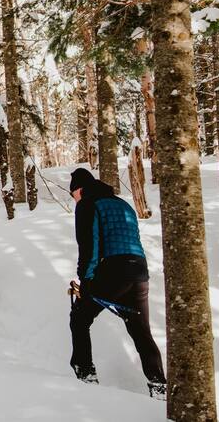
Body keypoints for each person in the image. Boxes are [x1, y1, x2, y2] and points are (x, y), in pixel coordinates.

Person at [68, 167, 166, 400]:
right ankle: (159, 385)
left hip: (112, 270)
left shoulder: (88, 204)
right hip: (139, 271)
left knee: (80, 318)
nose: (74, 200)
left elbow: (89, 245)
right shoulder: (123, 204)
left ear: (79, 189)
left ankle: (85, 375)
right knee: (141, 330)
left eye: (73, 195)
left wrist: (86, 279)